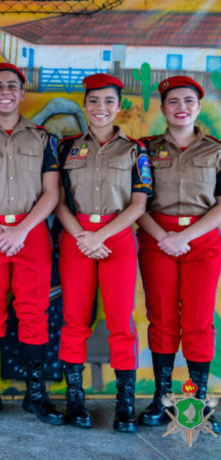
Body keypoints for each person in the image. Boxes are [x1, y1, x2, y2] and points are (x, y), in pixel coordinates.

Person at [0, 62, 62, 425]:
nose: (5, 92)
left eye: (12, 86)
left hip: (31, 232)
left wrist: (21, 230)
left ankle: (36, 395)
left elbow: (52, 194)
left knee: (34, 312)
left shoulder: (45, 139)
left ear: (22, 93)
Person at [55, 74, 152, 432]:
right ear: (85, 104)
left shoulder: (135, 150)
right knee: (74, 320)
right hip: (76, 237)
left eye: (109, 101)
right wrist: (82, 236)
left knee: (120, 322)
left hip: (118, 239)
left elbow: (139, 203)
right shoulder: (66, 148)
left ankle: (125, 404)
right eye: (94, 101)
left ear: (119, 106)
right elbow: (59, 202)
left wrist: (101, 237)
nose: (101, 108)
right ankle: (75, 401)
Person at [136, 76, 220, 434]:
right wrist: (164, 237)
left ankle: (196, 401)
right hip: (158, 239)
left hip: (202, 242)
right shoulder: (145, 150)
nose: (181, 107)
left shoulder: (217, 150)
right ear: (163, 109)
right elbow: (134, 201)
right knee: (163, 320)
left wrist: (185, 237)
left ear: (199, 107)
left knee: (199, 322)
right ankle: (162, 398)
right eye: (173, 101)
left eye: (188, 101)